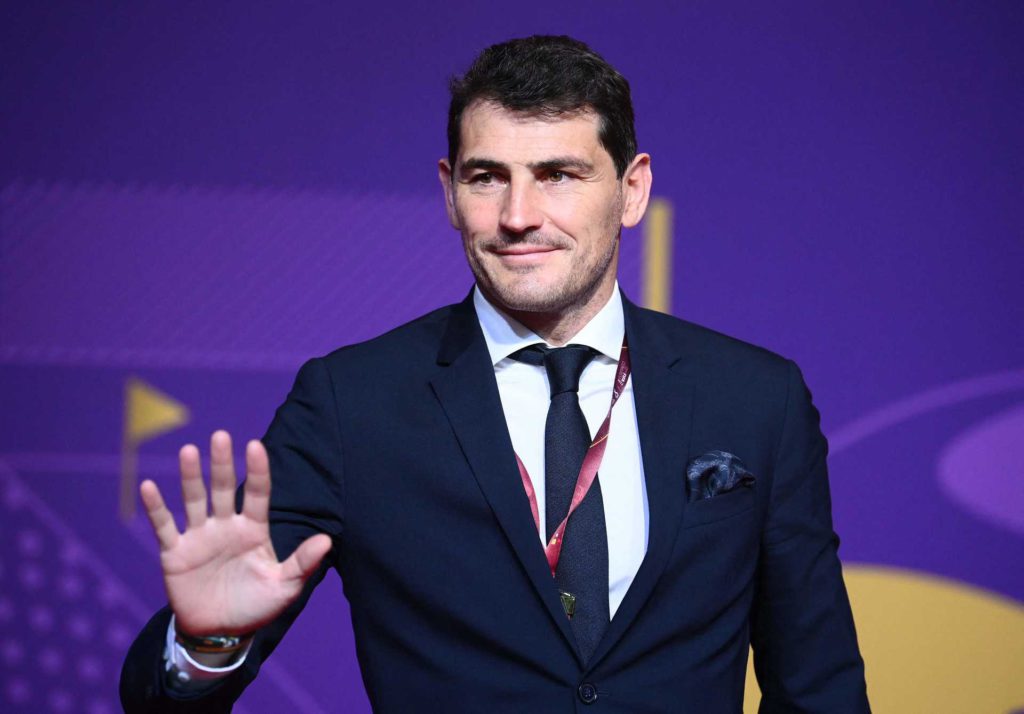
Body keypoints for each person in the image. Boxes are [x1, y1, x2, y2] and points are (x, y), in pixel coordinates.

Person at [120, 35, 869, 713]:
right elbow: (163, 702)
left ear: (632, 190)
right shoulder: (351, 403)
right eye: (487, 178)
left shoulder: (756, 399)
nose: (518, 215)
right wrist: (206, 645)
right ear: (450, 191)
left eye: (558, 175)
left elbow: (820, 691)